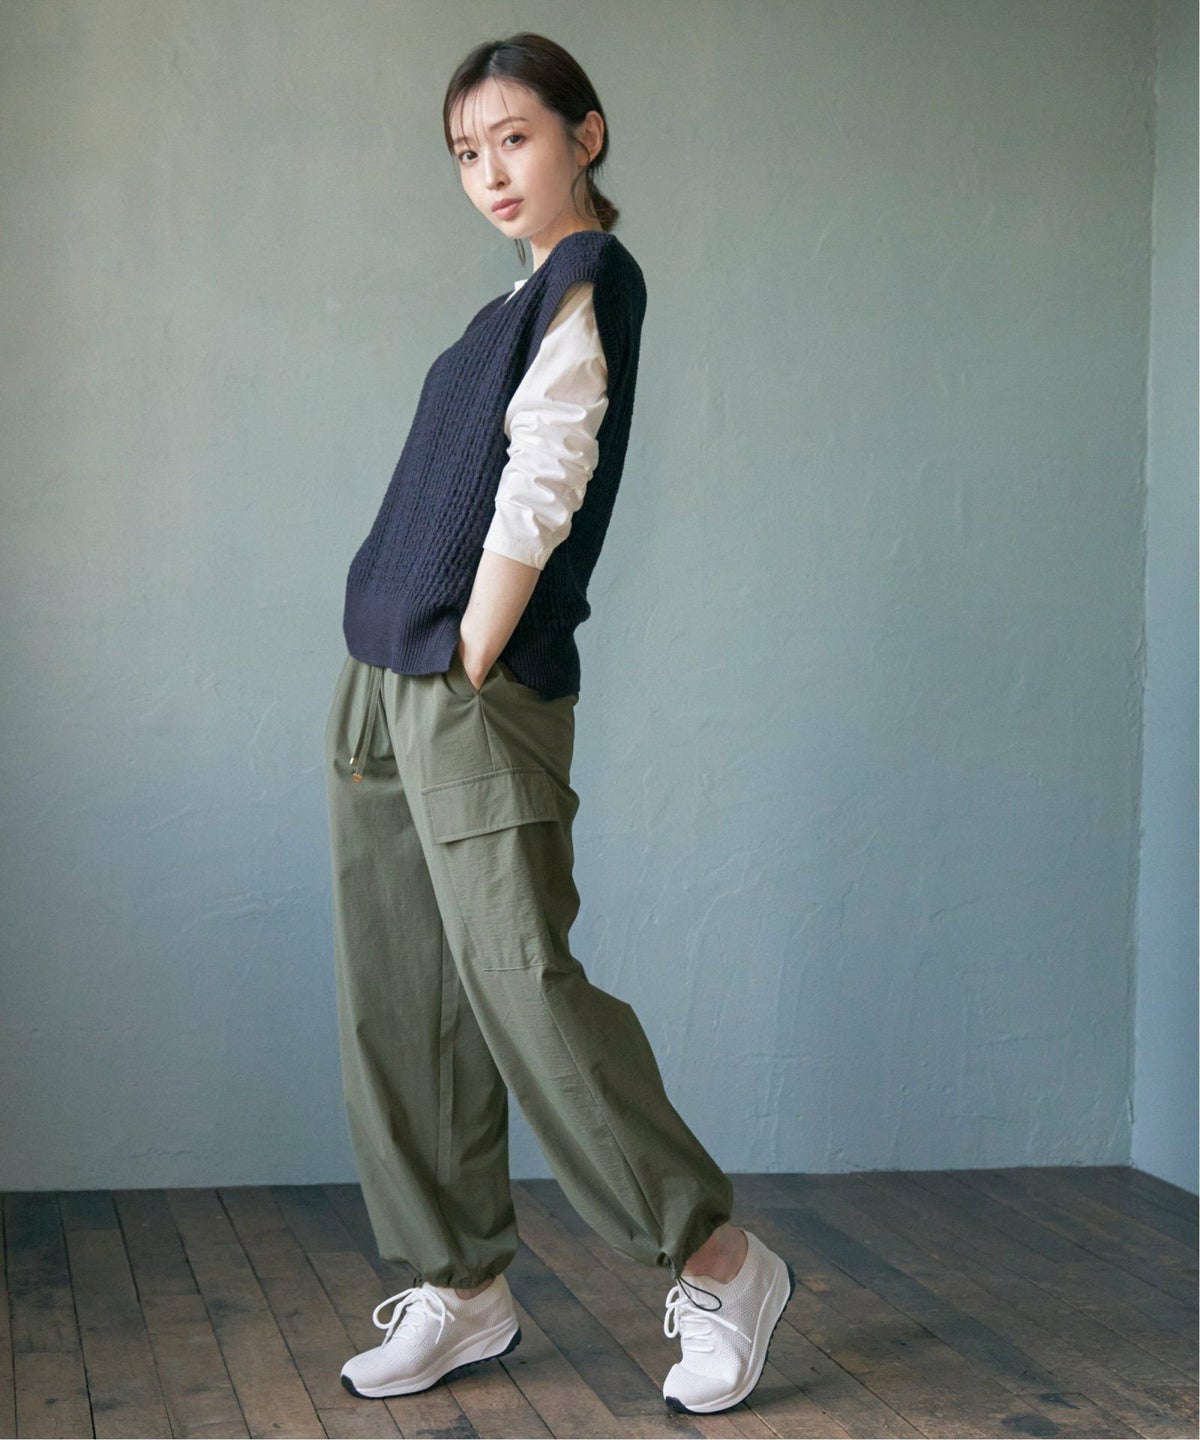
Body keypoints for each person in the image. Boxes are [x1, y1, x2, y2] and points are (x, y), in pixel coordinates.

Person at [324, 31, 794, 1417]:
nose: (490, 172)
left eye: (515, 138)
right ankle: (460, 1285)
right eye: (466, 153)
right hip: (384, 674)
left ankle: (718, 1259)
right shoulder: (509, 303)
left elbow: (547, 475)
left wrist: (473, 649)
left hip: (468, 676)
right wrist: (409, 657)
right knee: (404, 989)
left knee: (521, 980)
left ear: (586, 135)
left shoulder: (584, 281)